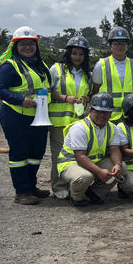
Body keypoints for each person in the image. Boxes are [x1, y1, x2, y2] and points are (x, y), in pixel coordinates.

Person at [0, 26, 53, 205]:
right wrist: (20, 99)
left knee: (36, 153)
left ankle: (31, 186)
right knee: (20, 154)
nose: (28, 47)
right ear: (15, 46)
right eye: (23, 44)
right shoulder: (10, 66)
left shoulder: (40, 65)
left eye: (31, 44)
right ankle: (22, 192)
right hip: (16, 115)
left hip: (38, 116)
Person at [57, 92, 133, 207]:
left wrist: (117, 164)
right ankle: (77, 197)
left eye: (106, 112)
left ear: (111, 114)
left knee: (120, 167)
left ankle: (94, 194)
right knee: (85, 177)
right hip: (71, 162)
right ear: (90, 110)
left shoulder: (112, 128)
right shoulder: (80, 127)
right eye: (98, 111)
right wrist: (99, 172)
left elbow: (114, 150)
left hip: (92, 161)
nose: (102, 115)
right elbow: (80, 156)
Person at [47, 35, 93, 199]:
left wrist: (85, 99)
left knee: (78, 154)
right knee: (59, 154)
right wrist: (66, 98)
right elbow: (47, 92)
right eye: (74, 53)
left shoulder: (86, 74)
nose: (78, 57)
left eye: (81, 54)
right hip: (59, 121)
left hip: (78, 122)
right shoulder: (56, 69)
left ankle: (75, 184)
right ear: (68, 53)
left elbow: (88, 93)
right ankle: (58, 186)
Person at [92, 26, 133, 122]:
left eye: (123, 43)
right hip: (108, 115)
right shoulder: (101, 65)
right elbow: (95, 91)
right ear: (110, 45)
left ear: (127, 45)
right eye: (116, 43)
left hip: (129, 115)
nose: (119, 46)